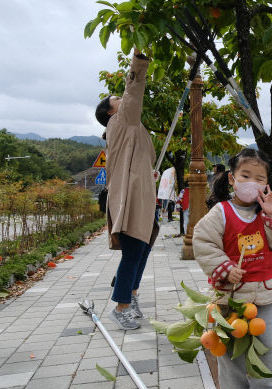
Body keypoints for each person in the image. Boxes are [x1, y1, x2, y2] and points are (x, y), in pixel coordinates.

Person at [193, 148, 272, 389]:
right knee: (229, 350)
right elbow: (203, 242)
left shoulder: (270, 211)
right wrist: (224, 267)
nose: (252, 183)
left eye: (259, 178)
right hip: (231, 296)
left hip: (265, 293)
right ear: (231, 178)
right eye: (245, 175)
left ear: (267, 183)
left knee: (269, 347)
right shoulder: (221, 212)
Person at [95, 47, 158, 331]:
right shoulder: (121, 122)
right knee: (133, 253)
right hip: (131, 201)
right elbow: (133, 89)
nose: (122, 100)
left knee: (141, 252)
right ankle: (120, 306)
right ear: (111, 112)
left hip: (143, 198)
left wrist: (149, 173)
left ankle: (130, 297)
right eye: (116, 100)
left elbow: (142, 162)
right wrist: (139, 61)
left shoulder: (134, 129)